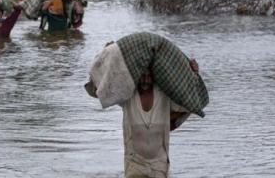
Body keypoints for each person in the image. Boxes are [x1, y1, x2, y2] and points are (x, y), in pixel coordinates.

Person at [85, 33, 209, 178]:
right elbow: (98, 90)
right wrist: (108, 59)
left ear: (155, 77)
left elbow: (189, 102)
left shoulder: (164, 96)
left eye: (148, 75)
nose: (145, 78)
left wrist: (194, 73)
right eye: (142, 75)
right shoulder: (128, 96)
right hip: (134, 165)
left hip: (160, 166)